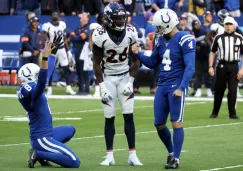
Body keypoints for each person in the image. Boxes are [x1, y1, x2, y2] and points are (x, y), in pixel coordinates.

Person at [132, 8, 196, 169]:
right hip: (162, 85)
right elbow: (153, 62)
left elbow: (190, 67)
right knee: (159, 123)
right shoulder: (160, 40)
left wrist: (182, 87)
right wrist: (138, 53)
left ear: (168, 24)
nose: (157, 30)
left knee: (176, 122)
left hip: (176, 85)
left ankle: (176, 158)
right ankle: (171, 152)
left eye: (159, 26)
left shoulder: (185, 38)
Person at [17, 35, 80, 168]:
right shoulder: (29, 90)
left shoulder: (33, 87)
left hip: (46, 133)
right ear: (31, 76)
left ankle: (43, 152)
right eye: (37, 74)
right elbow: (42, 81)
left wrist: (52, 54)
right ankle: (39, 154)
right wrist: (44, 58)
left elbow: (47, 73)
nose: (40, 75)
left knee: (70, 130)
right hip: (42, 138)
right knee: (74, 162)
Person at [92, 2, 143, 166]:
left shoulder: (131, 32)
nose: (121, 21)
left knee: (129, 115)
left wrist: (130, 81)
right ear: (108, 19)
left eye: (123, 17)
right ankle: (109, 156)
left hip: (124, 77)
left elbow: (136, 61)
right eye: (117, 18)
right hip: (108, 78)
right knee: (109, 117)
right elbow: (96, 63)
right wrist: (101, 85)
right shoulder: (100, 34)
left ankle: (132, 155)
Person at [209, 16, 243, 119]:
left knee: (233, 90)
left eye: (230, 24)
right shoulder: (218, 37)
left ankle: (232, 113)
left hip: (233, 66)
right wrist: (210, 66)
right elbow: (212, 52)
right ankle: (215, 112)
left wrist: (242, 69)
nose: (228, 27)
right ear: (224, 25)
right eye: (226, 24)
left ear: (234, 25)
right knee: (219, 90)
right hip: (222, 65)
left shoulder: (239, 37)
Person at [42, 12, 76, 95]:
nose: (55, 17)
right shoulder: (47, 26)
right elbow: (43, 39)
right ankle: (49, 87)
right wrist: (47, 49)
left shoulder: (62, 24)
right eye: (53, 15)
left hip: (61, 49)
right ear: (51, 18)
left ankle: (68, 87)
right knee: (50, 68)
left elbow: (64, 38)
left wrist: (68, 50)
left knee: (66, 68)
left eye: (56, 16)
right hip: (52, 49)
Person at [70, 12, 90, 95]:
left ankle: (86, 90)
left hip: (84, 50)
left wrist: (76, 37)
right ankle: (81, 89)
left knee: (84, 70)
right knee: (78, 70)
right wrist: (75, 37)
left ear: (87, 18)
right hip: (77, 50)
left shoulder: (89, 27)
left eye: (83, 15)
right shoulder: (79, 26)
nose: (81, 16)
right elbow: (71, 36)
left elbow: (83, 37)